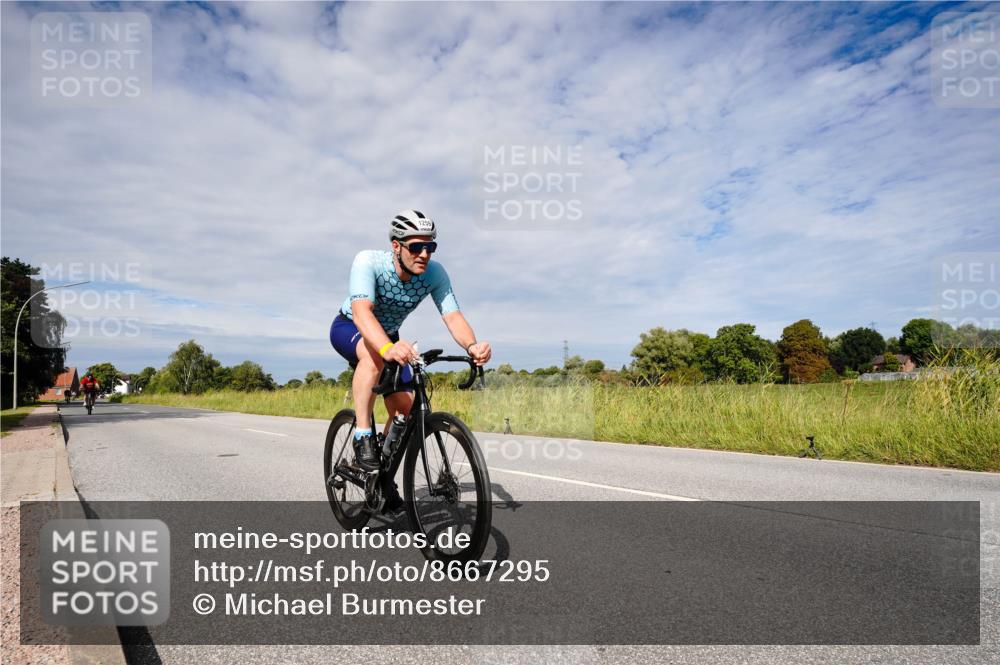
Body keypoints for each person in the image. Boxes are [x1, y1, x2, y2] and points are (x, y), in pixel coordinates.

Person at [330, 210, 491, 509]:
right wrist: (386, 348)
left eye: (430, 247)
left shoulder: (435, 274)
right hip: (351, 327)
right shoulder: (369, 262)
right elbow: (363, 313)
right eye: (416, 247)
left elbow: (452, 315)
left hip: (388, 336)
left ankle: (382, 477)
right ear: (396, 245)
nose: (424, 254)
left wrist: (472, 345)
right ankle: (362, 435)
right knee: (374, 357)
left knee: (405, 409)